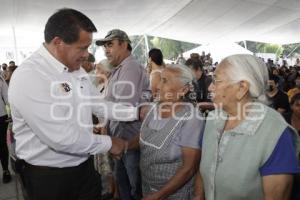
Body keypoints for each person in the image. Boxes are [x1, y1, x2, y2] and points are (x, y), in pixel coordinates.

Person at [8, 8, 139, 200]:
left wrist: (136, 112)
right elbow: (61, 138)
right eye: (82, 47)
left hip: (84, 167)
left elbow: (99, 104)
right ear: (58, 42)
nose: (87, 55)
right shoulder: (30, 76)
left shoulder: (75, 70)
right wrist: (110, 143)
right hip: (51, 179)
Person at [200, 54, 300, 200]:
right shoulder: (213, 119)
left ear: (242, 88)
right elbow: (204, 171)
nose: (210, 87)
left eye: (216, 80)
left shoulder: (275, 133)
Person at [128, 64, 204, 200]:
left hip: (174, 194)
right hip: (147, 188)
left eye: (164, 81)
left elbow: (189, 168)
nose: (157, 86)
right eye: (160, 79)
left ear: (183, 90)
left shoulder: (191, 118)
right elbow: (144, 136)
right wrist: (125, 145)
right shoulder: (153, 108)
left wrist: (159, 195)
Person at [96, 29, 150, 200]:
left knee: (135, 190)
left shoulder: (130, 67)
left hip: (130, 141)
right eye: (105, 46)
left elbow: (122, 105)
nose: (106, 50)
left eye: (110, 45)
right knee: (124, 186)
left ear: (124, 44)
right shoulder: (119, 69)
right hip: (121, 139)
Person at [0, 75, 11, 183]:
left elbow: (7, 96)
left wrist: (14, 112)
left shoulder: (0, 79)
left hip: (1, 116)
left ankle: (5, 170)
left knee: (2, 144)